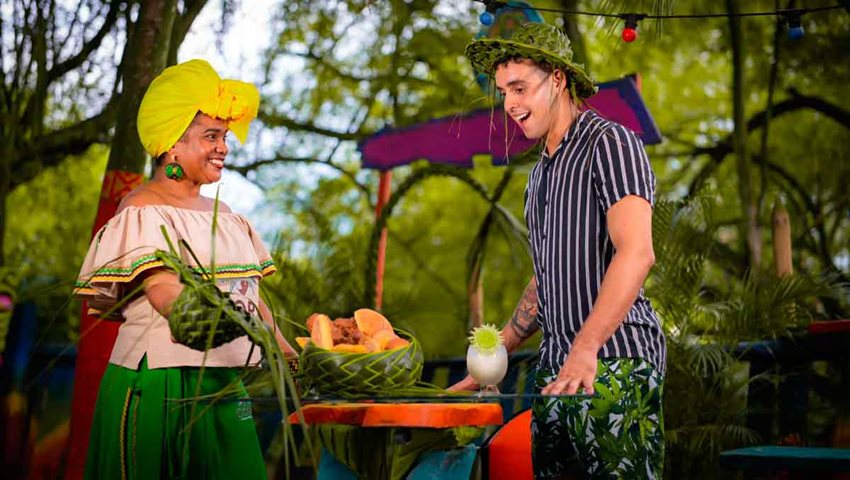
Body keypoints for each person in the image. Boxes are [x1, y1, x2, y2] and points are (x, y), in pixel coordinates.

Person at [450, 23, 666, 478]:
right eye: (503, 92)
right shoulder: (539, 177)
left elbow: (637, 252)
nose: (510, 104)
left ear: (557, 79)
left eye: (520, 88)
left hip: (615, 363)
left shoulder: (610, 143)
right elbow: (549, 275)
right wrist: (493, 358)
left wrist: (586, 347)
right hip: (554, 371)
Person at [75, 59, 296, 479]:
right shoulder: (142, 208)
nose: (223, 147)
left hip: (224, 383)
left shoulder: (226, 215)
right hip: (162, 381)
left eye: (224, 137)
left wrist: (288, 353)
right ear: (173, 145)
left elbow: (249, 298)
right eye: (211, 136)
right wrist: (200, 315)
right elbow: (161, 288)